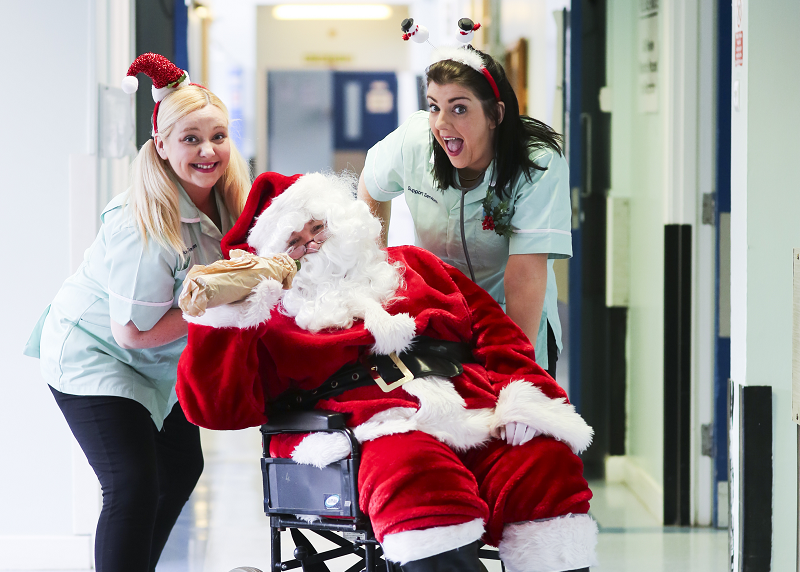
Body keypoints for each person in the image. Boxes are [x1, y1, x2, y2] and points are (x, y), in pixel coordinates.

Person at [177, 171, 596, 572]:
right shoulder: (272, 316)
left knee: (544, 466)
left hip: (472, 410)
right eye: (295, 243)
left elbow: (497, 333)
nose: (313, 244)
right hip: (372, 431)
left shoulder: (416, 265)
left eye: (318, 228)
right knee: (418, 477)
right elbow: (216, 409)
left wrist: (523, 394)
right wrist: (225, 322)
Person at [23, 53, 251, 572]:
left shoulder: (229, 200)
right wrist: (223, 305)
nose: (208, 150)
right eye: (191, 138)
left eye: (218, 136)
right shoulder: (143, 223)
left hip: (160, 362)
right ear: (162, 145)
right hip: (96, 354)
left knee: (181, 467)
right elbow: (130, 333)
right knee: (132, 485)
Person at [357, 40, 571, 378]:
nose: (441, 122)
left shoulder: (536, 163)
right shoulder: (415, 141)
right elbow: (371, 185)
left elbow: (525, 274)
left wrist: (515, 369)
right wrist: (375, 276)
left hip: (512, 320)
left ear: (495, 115)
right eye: (434, 106)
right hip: (437, 320)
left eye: (459, 108)